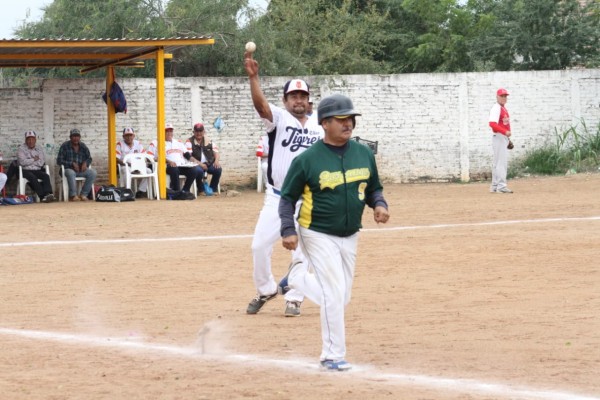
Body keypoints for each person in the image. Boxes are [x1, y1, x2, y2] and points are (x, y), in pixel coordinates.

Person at [278, 94, 390, 371]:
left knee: (342, 297)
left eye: (350, 118)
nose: (348, 123)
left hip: (350, 233)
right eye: (341, 119)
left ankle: (296, 278)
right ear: (325, 123)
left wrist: (379, 204)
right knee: (333, 293)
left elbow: (373, 186)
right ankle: (332, 355)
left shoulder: (363, 154)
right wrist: (288, 229)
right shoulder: (307, 160)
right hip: (316, 231)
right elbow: (287, 198)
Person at [244, 49, 324, 317]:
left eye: (303, 96)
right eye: (293, 96)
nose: (298, 100)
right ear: (285, 100)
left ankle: (294, 297)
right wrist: (254, 78)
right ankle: (266, 289)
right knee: (258, 246)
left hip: (309, 199)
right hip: (278, 197)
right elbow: (260, 107)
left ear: (309, 100)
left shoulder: (319, 126)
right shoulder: (278, 118)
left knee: (302, 252)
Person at [147, 123, 199, 193]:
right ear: (162, 132)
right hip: (167, 166)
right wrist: (168, 161)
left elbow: (187, 155)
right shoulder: (156, 143)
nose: (169, 133)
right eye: (167, 131)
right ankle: (176, 191)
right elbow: (150, 158)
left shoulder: (178, 142)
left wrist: (195, 162)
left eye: (171, 131)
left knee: (194, 170)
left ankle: (185, 190)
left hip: (181, 165)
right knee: (174, 169)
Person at [56, 128, 97, 201]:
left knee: (93, 173)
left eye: (77, 136)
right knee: (71, 173)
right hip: (68, 170)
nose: (76, 138)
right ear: (70, 137)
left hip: (80, 170)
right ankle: (73, 195)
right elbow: (59, 161)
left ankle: (83, 194)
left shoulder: (83, 146)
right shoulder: (65, 146)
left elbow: (89, 158)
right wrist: (71, 164)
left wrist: (85, 163)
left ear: (80, 137)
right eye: (74, 136)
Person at [17, 130, 55, 203]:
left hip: (37, 169)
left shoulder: (39, 148)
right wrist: (34, 159)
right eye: (28, 139)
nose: (31, 141)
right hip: (25, 170)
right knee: (32, 177)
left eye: (32, 139)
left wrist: (29, 161)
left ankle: (48, 194)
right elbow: (22, 162)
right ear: (25, 140)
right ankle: (42, 196)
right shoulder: (21, 149)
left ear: (35, 140)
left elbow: (41, 162)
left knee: (45, 175)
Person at [185, 123, 222, 195]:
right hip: (196, 164)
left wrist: (216, 161)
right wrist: (200, 164)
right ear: (194, 132)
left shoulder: (209, 140)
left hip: (209, 163)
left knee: (218, 169)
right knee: (198, 171)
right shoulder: (189, 141)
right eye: (197, 131)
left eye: (200, 131)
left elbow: (216, 152)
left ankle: (212, 189)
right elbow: (189, 156)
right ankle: (201, 190)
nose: (199, 133)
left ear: (203, 132)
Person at [489, 88, 513, 193]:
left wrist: (507, 139)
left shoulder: (502, 108)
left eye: (505, 96)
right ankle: (501, 186)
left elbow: (501, 123)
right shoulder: (496, 108)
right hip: (499, 136)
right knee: (501, 163)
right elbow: (492, 124)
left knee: (497, 162)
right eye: (502, 96)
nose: (504, 98)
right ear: (497, 97)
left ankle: (495, 186)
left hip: (501, 137)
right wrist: (505, 132)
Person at [116, 127, 148, 198]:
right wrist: (127, 164)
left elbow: (144, 156)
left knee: (149, 171)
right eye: (127, 135)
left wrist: (140, 164)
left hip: (138, 166)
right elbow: (116, 158)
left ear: (133, 136)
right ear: (123, 136)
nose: (129, 137)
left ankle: (141, 191)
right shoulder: (120, 144)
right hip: (126, 166)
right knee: (126, 170)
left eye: (130, 135)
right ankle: (128, 191)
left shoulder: (138, 143)